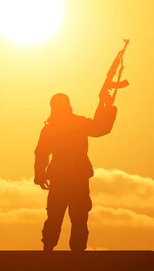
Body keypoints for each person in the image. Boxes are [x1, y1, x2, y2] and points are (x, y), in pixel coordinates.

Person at [34, 93, 117, 252]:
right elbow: (42, 152)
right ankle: (51, 253)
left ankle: (70, 255)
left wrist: (106, 106)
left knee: (74, 218)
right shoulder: (62, 126)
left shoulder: (60, 126)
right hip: (67, 178)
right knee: (60, 218)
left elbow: (100, 128)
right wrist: (39, 174)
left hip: (72, 178)